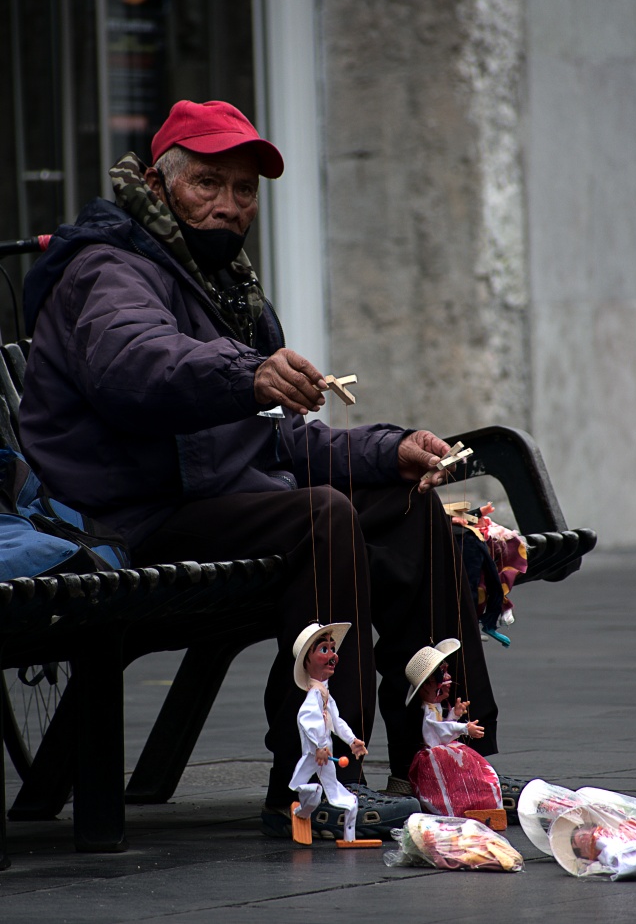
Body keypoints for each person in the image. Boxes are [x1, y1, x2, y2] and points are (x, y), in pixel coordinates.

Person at [19, 99, 498, 839]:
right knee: (321, 516)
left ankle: (442, 751)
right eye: (208, 183)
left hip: (212, 501)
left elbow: (283, 445)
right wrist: (248, 372)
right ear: (158, 180)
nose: (229, 205)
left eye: (244, 191)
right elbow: (135, 366)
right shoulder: (107, 267)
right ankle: (319, 780)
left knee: (408, 505)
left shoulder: (230, 291)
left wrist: (390, 448)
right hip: (123, 522)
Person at [289, 622, 373, 844]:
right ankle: (300, 813)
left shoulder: (325, 695)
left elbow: (337, 721)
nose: (332, 656)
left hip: (326, 758)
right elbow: (306, 720)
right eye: (324, 650)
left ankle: (350, 838)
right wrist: (318, 747)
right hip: (315, 756)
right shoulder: (313, 697)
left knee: (346, 799)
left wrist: (352, 740)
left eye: (333, 649)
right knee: (312, 791)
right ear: (308, 660)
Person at [405, 642, 504, 822]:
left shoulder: (435, 708)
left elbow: (443, 727)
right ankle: (458, 807)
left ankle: (480, 802)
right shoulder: (428, 713)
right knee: (452, 780)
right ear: (427, 686)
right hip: (437, 754)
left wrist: (454, 714)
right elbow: (440, 729)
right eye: (441, 676)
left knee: (475, 771)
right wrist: (464, 728)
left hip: (446, 748)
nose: (447, 679)